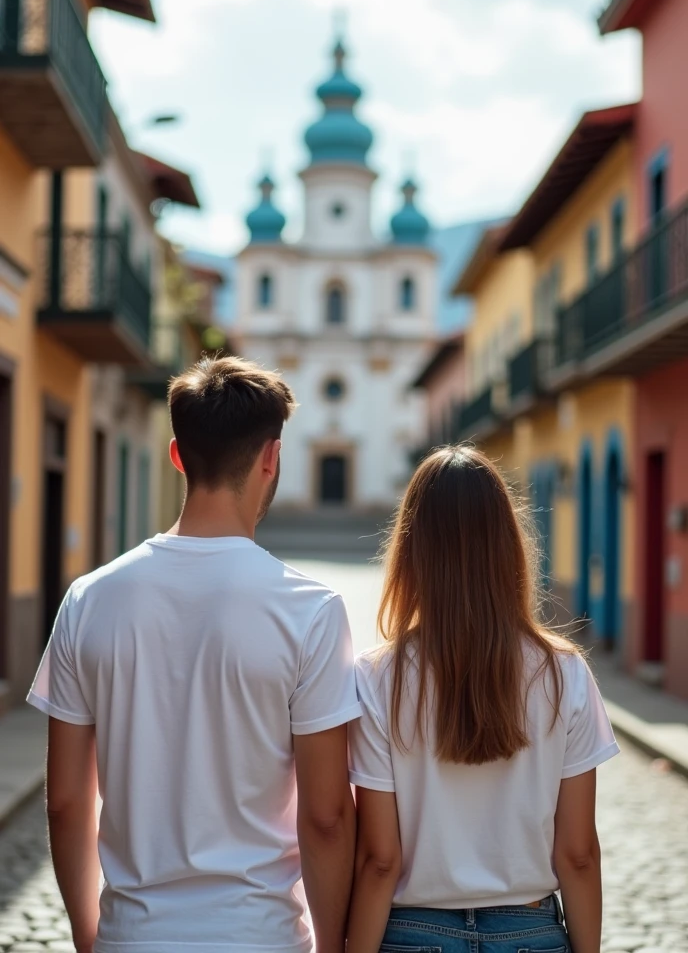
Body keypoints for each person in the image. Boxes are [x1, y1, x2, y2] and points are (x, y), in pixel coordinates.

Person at [28, 355, 361, 953]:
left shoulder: (89, 598)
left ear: (178, 456)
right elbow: (328, 816)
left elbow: (68, 801)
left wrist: (87, 935)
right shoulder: (310, 611)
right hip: (262, 938)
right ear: (272, 457)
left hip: (131, 937)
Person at [347, 446, 619, 953]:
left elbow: (380, 861)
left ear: (411, 550)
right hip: (530, 932)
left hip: (412, 932)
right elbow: (578, 854)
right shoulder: (564, 673)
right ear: (508, 545)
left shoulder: (376, 677)